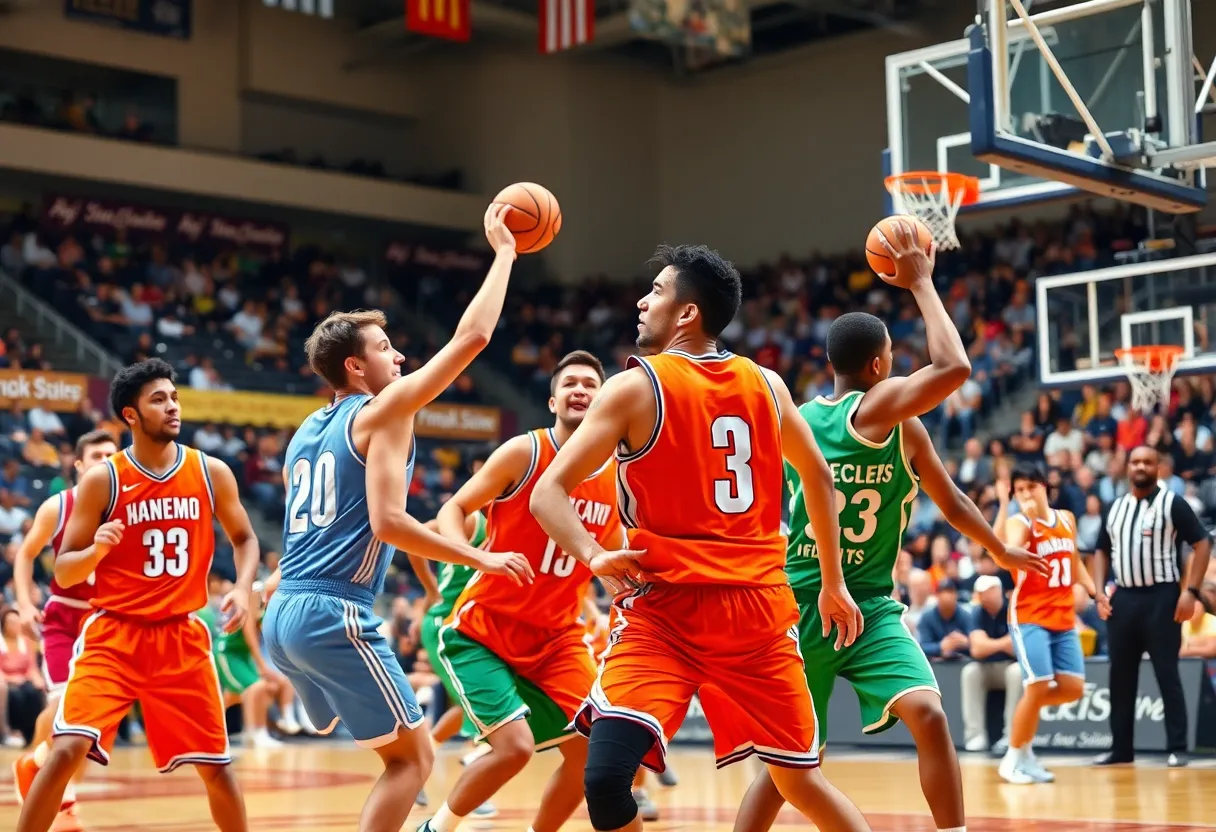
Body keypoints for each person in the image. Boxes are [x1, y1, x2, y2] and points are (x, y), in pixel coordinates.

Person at [530, 243, 868, 832]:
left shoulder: (637, 387)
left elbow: (546, 492)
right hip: (679, 613)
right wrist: (832, 583)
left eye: (656, 291)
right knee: (609, 777)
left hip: (735, 610)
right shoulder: (769, 384)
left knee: (797, 779)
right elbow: (817, 473)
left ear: (686, 313)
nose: (642, 300)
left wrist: (592, 556)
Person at [733, 222, 1044, 832]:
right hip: (804, 606)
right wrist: (922, 282)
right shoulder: (869, 410)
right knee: (792, 763)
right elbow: (953, 366)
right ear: (881, 365)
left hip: (870, 604)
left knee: (928, 713)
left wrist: (1000, 548)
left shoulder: (863, 424)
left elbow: (951, 501)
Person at [261, 205, 534, 832]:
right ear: (356, 368)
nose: (401, 356)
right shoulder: (383, 411)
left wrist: (269, 586)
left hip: (284, 614)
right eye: (386, 349)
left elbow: (312, 527)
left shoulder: (305, 431)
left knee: (380, 738)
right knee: (413, 761)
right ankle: (323, 698)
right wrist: (504, 255)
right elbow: (471, 340)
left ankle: (321, 703)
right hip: (332, 609)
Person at [15, 358, 260, 832]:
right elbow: (64, 569)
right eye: (158, 399)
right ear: (131, 415)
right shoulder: (102, 480)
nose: (172, 407)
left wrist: (245, 590)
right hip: (114, 635)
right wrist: (96, 550)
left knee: (217, 768)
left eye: (174, 397)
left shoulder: (211, 472)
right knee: (66, 749)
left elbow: (245, 538)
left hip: (182, 639)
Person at [420, 350, 620, 832]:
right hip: (485, 631)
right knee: (515, 749)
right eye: (570, 382)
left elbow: (616, 554)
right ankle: (435, 827)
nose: (580, 390)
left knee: (594, 754)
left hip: (556, 639)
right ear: (553, 400)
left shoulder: (617, 479)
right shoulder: (523, 453)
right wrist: (477, 556)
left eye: (591, 384)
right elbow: (454, 508)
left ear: (603, 400)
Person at [12, 429, 117, 831]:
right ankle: (45, 776)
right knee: (63, 708)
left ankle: (47, 773)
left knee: (91, 725)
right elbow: (25, 554)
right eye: (96, 456)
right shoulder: (59, 506)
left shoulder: (127, 505)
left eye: (112, 455)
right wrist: (24, 602)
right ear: (78, 464)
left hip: (107, 619)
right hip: (64, 618)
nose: (105, 461)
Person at [1092, 444, 1212, 767]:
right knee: (1120, 676)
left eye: (1147, 462)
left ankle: (1176, 747)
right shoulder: (1114, 507)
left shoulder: (1172, 503)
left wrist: (1191, 591)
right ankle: (1121, 749)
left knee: (1166, 673)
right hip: (1124, 598)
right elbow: (1100, 550)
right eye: (1135, 461)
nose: (1141, 466)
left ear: (1158, 468)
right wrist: (1099, 592)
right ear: (1127, 467)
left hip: (1162, 598)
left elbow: (1202, 542)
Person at [992, 463, 1096, 784]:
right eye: (1019, 490)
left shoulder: (1067, 518)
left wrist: (1095, 591)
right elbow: (1007, 554)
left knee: (1072, 689)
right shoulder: (1018, 522)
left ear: (1044, 487)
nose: (1026, 494)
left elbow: (1074, 559)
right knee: (1037, 687)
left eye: (1030, 488)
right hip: (1029, 615)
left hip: (1063, 617)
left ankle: (1026, 749)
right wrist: (1024, 516)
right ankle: (1012, 757)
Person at [405, 514, 497, 818]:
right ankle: (471, 782)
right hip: (449, 623)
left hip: (477, 626)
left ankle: (419, 765)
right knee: (481, 706)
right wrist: (431, 590)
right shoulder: (472, 519)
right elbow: (413, 537)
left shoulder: (513, 521)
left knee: (470, 708)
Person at [961, 575, 1022, 754]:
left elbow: (1017, 648)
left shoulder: (1014, 608)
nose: (985, 596)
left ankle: (1012, 736)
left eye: (989, 591)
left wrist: (988, 644)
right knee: (970, 671)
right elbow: (977, 650)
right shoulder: (977, 612)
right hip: (987, 668)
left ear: (999, 591)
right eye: (981, 593)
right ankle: (975, 736)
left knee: (1017, 672)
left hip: (1010, 666)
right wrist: (1003, 643)